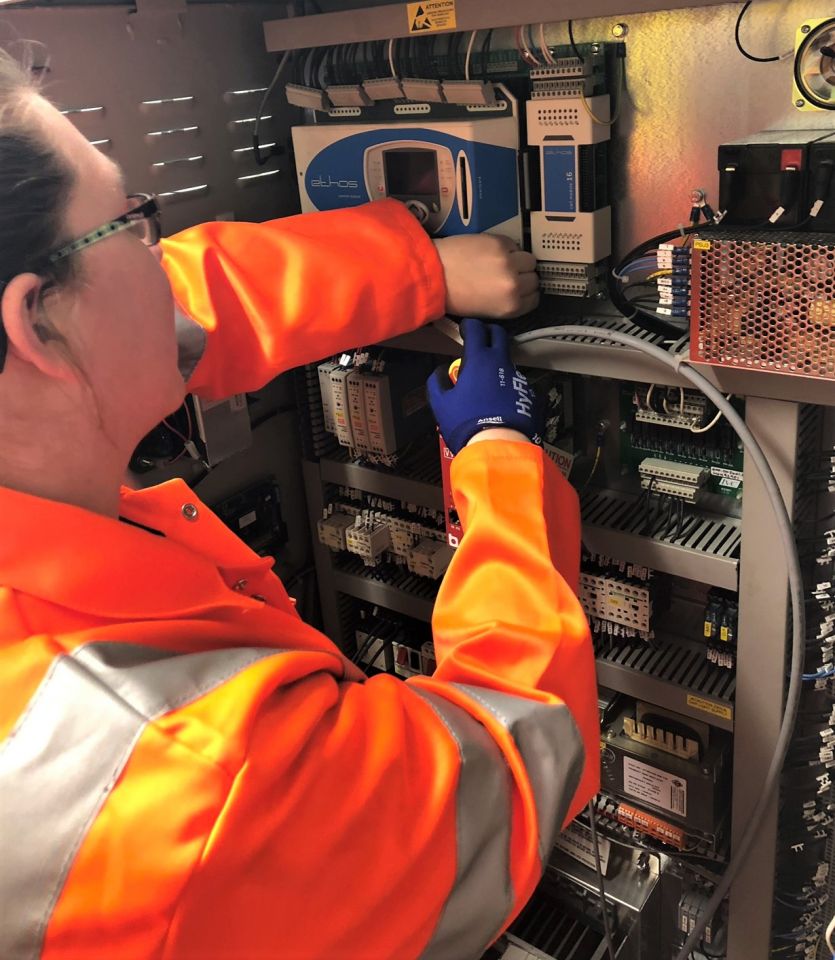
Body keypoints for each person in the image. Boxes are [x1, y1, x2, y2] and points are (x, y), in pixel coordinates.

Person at [0, 48, 598, 960]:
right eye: (132, 225)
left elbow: (187, 307)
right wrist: (500, 456)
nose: (160, 253)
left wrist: (422, 269)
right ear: (35, 322)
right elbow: (507, 756)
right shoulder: (194, 788)